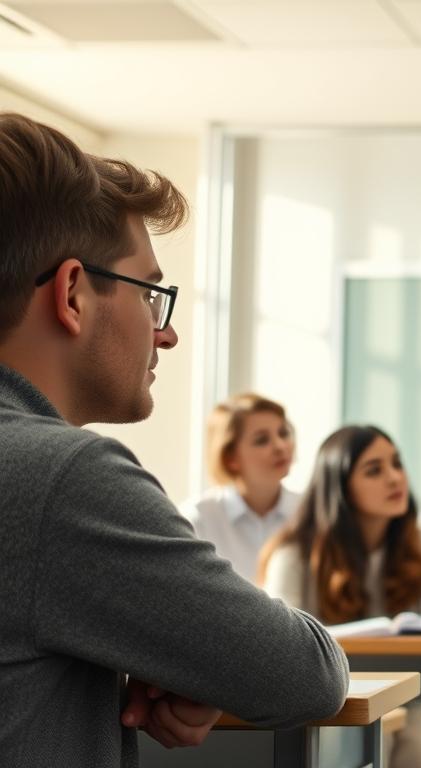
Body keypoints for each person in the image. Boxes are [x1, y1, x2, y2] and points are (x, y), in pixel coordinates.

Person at [0, 112, 348, 767]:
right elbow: (306, 672)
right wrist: (188, 656)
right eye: (151, 294)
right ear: (73, 293)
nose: (166, 334)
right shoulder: (63, 479)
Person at [260, 424, 421, 768]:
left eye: (397, 464)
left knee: (418, 745)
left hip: (408, 698)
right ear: (340, 487)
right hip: (329, 701)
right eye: (374, 470)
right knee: (377, 737)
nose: (394, 478)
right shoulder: (293, 554)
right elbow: (281, 645)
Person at [179, 392, 299, 584]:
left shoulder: (309, 512)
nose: (280, 446)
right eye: (262, 440)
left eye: (283, 433)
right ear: (230, 457)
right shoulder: (197, 518)